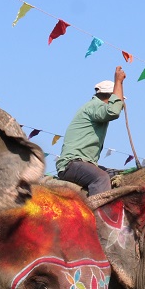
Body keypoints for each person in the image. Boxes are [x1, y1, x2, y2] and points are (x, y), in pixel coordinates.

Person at [55, 68, 126, 196]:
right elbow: (114, 111)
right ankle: (97, 215)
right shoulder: (94, 106)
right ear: (109, 98)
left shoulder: (96, 109)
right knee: (101, 178)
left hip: (85, 163)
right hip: (71, 164)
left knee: (118, 175)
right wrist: (118, 81)